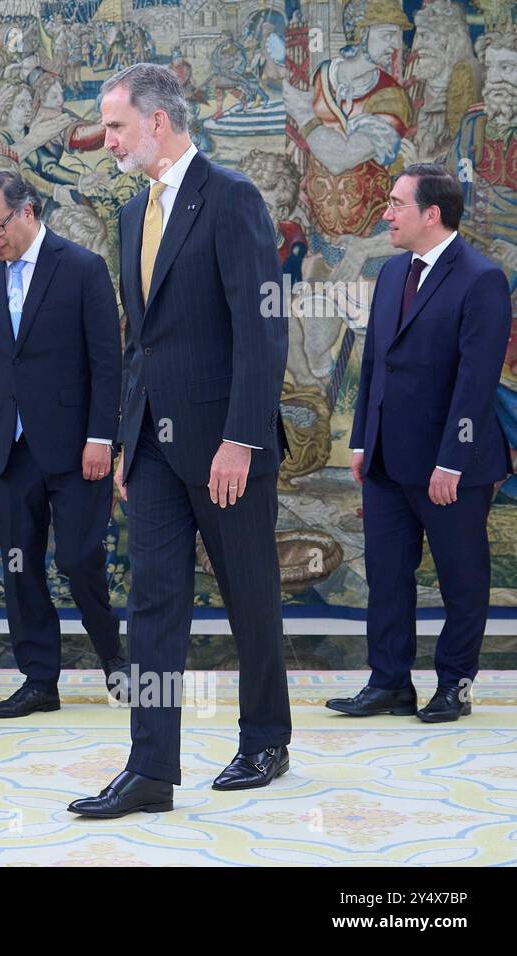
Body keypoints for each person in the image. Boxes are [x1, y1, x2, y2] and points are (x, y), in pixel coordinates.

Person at [69, 64, 291, 819]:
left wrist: (243, 438)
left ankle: (265, 737)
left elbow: (263, 330)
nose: (110, 141)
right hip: (155, 450)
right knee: (153, 603)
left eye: (118, 127)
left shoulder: (231, 198)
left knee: (249, 595)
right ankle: (151, 769)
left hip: (227, 443)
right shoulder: (134, 214)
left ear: (158, 123)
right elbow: (141, 344)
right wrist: (129, 440)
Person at [328, 164, 511, 723]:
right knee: (386, 574)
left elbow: (476, 382)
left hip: (450, 465)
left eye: (395, 204)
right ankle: (388, 683)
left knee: (461, 578)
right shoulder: (390, 274)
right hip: (385, 459)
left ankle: (455, 683)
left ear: (431, 213)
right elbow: (374, 366)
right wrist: (361, 440)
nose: (385, 213)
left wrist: (451, 461)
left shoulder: (481, 278)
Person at [0, 170, 128, 719]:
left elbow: (108, 362)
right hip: (8, 448)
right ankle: (39, 680)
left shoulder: (82, 268)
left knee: (79, 560)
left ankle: (114, 659)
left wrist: (104, 437)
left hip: (78, 450)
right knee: (18, 565)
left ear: (28, 211)